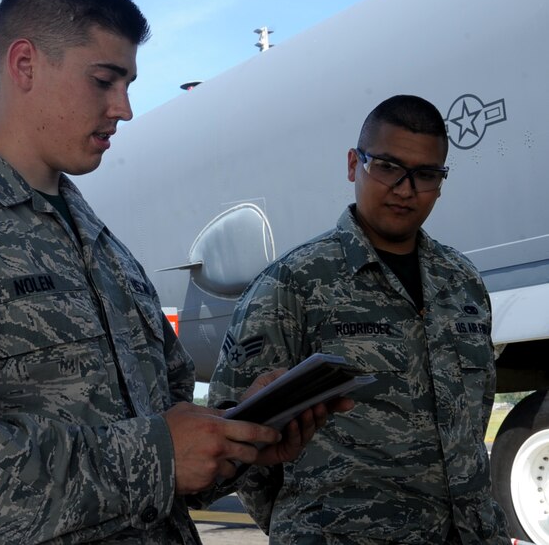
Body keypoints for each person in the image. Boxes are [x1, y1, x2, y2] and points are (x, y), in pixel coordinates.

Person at [0, 0, 344, 545]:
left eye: (127, 84)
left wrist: (240, 436)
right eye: (105, 80)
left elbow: (168, 446)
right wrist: (155, 456)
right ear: (24, 65)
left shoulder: (106, 252)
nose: (124, 108)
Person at [208, 94, 511, 544]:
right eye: (387, 166)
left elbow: (474, 413)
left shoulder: (462, 283)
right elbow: (239, 435)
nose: (406, 189)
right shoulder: (293, 284)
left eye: (425, 174)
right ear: (354, 164)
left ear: (441, 181)